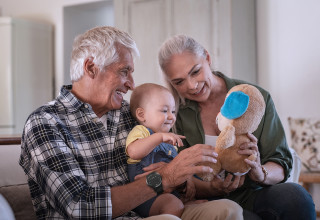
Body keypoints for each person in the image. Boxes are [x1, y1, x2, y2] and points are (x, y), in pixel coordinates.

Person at [19, 26, 243, 219]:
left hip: (149, 211)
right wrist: (162, 178)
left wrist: (181, 181)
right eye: (124, 71)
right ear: (90, 68)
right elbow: (79, 207)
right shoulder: (45, 123)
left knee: (227, 210)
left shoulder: (131, 114)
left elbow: (167, 167)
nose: (132, 84)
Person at [158, 34, 316, 220]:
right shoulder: (173, 115)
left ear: (207, 58)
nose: (192, 86)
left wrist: (260, 172)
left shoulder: (255, 98)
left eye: (195, 71)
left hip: (253, 193)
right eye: (179, 82)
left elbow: (280, 162)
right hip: (210, 203)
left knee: (296, 197)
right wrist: (211, 188)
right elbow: (177, 175)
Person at [127, 83, 199, 218]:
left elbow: (176, 170)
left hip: (168, 193)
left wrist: (187, 179)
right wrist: (159, 137)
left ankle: (182, 205)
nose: (172, 117)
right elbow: (133, 152)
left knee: (191, 203)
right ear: (142, 114)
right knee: (173, 204)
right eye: (165, 111)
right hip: (145, 196)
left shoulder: (170, 143)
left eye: (173, 111)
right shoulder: (141, 131)